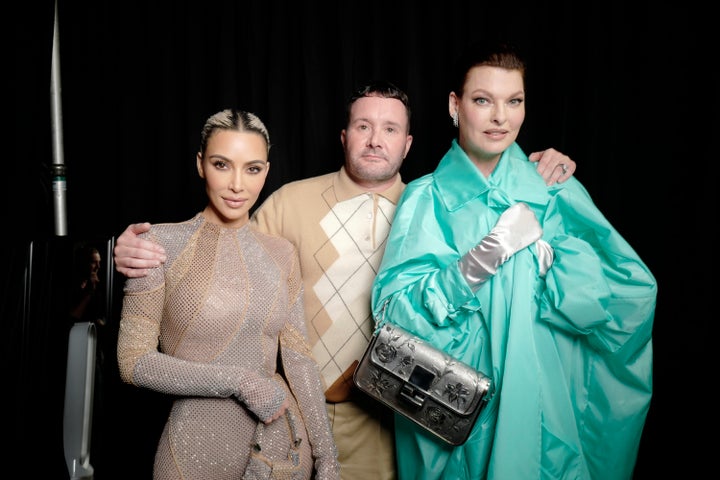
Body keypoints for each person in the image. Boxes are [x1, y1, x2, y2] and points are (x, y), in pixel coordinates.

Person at [113, 82, 577, 480]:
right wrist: (130, 250)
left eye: (390, 129)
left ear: (409, 143)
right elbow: (223, 254)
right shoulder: (287, 203)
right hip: (284, 414)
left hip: (393, 425)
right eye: (363, 127)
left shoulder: (438, 212)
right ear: (343, 135)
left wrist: (539, 173)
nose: (375, 140)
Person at [370, 41, 657, 480]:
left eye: (514, 101)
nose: (500, 117)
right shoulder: (425, 199)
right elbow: (393, 323)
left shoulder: (554, 188)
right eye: (483, 100)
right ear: (455, 105)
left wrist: (557, 268)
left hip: (548, 427)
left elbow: (629, 298)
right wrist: (483, 259)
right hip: (463, 429)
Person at [115, 109, 339, 479]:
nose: (238, 184)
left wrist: (328, 459)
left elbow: (299, 360)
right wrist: (240, 382)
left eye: (252, 169)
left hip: (278, 452)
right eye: (222, 164)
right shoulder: (157, 245)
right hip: (189, 453)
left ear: (266, 171)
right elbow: (132, 361)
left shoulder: (282, 254)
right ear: (200, 164)